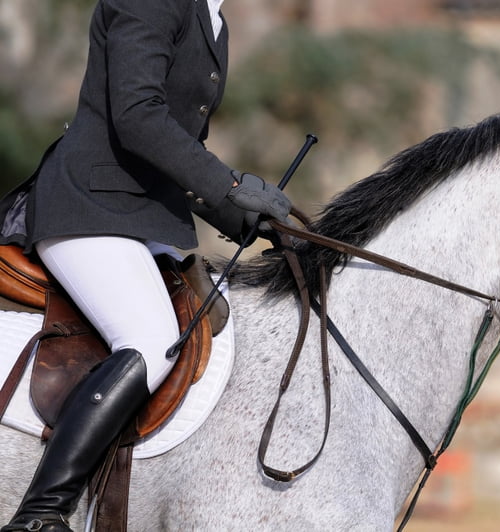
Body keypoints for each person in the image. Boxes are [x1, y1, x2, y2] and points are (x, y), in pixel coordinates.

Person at [0, 1, 290, 530]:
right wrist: (229, 184)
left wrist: (239, 213)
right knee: (153, 338)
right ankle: (40, 514)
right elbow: (137, 114)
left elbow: (179, 147)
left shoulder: (213, 17)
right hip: (88, 207)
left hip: (137, 218)